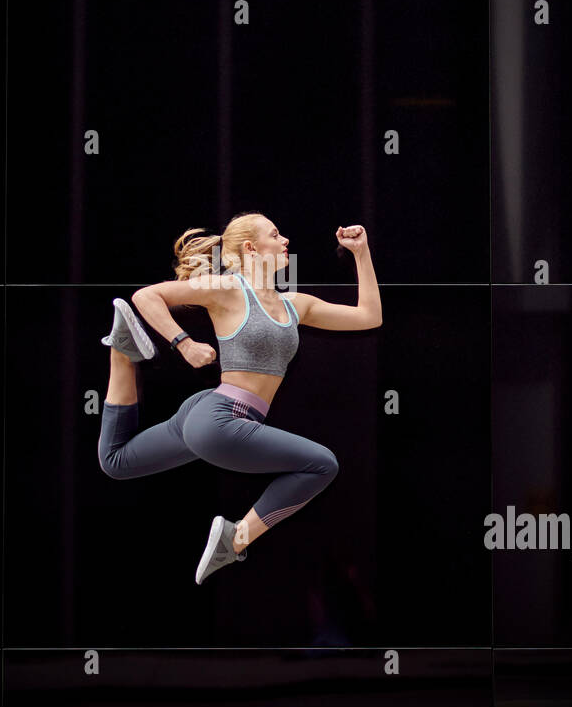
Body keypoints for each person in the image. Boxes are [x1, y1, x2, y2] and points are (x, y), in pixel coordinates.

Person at [96, 211, 382, 584]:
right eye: (275, 234)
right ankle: (235, 540)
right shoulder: (228, 288)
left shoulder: (297, 305)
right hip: (221, 418)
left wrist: (361, 252)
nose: (286, 241)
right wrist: (183, 344)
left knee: (116, 462)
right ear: (251, 248)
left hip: (206, 415)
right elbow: (147, 296)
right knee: (322, 464)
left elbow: (368, 316)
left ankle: (122, 353)